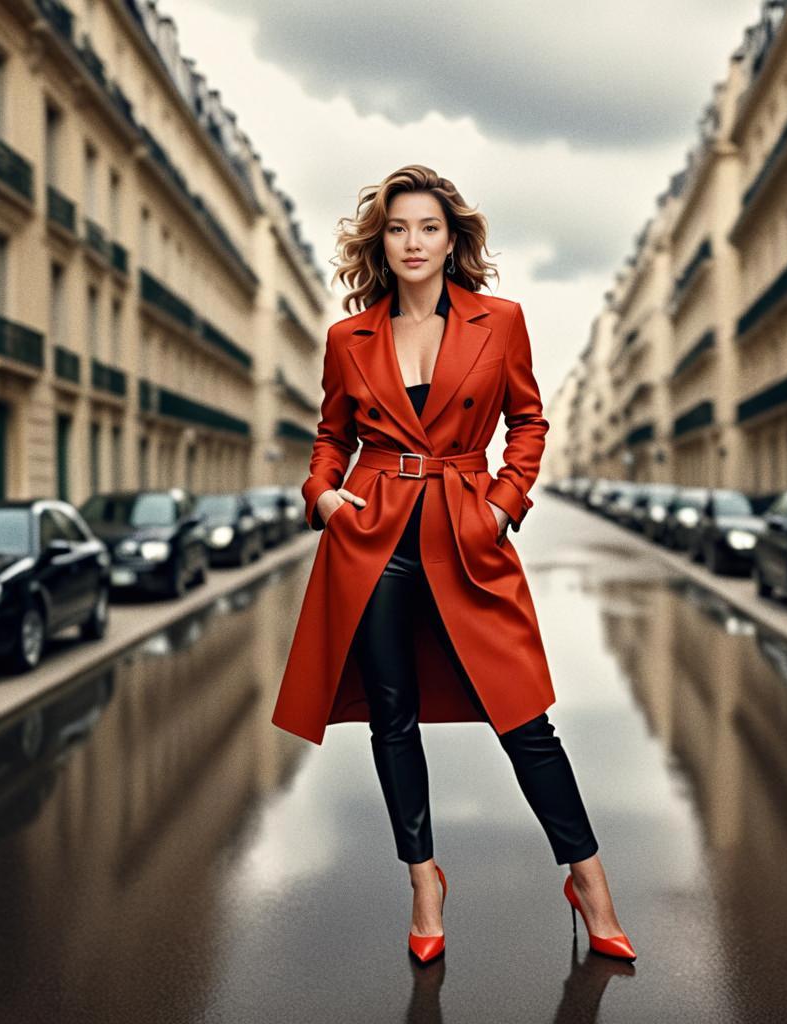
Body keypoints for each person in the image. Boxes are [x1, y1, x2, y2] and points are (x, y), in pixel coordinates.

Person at [281, 165, 636, 966]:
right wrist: (324, 495)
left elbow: (530, 421)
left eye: (429, 228)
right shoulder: (350, 338)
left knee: (522, 715)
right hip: (372, 536)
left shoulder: (499, 321)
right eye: (399, 229)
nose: (413, 242)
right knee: (391, 716)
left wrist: (504, 505)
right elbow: (331, 435)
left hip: (467, 530)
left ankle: (589, 877)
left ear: (453, 240)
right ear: (383, 242)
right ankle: (424, 880)